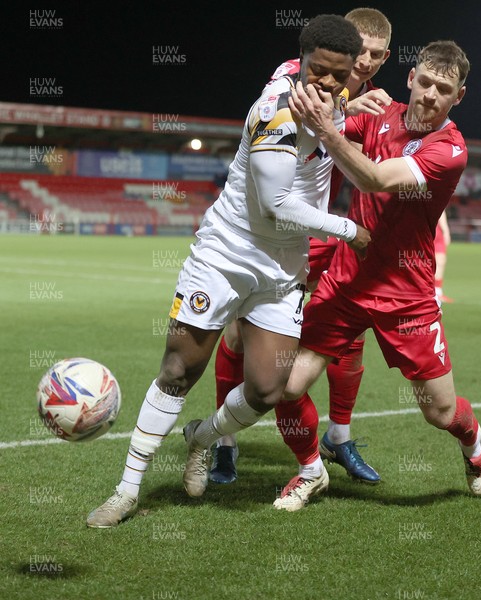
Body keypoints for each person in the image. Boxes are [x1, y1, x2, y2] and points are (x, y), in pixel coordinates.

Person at [86, 14, 370, 528]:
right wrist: (349, 230)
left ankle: (200, 437)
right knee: (178, 369)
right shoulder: (275, 111)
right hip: (227, 253)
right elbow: (277, 206)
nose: (327, 83)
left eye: (340, 74)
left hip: (283, 268)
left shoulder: (339, 94)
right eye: (319, 71)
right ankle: (126, 491)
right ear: (301, 62)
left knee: (266, 389)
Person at [267, 40, 481, 511]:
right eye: (425, 82)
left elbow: (371, 177)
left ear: (459, 97)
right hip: (346, 282)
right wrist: (321, 99)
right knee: (283, 387)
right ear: (411, 78)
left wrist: (330, 128)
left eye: (443, 89)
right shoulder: (380, 113)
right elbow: (316, 127)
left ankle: (474, 445)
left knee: (440, 412)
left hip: (406, 296)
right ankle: (311, 470)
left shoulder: (449, 150)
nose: (431, 95)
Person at [210, 7, 393, 487]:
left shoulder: (367, 96)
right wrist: (340, 111)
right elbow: (281, 105)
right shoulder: (295, 78)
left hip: (326, 233)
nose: (365, 64)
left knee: (346, 337)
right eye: (361, 53)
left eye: (374, 56)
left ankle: (340, 435)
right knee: (237, 337)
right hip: (281, 230)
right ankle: (223, 445)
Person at [434, 210, 452, 302]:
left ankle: (438, 292)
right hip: (424, 230)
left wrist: (446, 231)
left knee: (441, 261)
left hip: (437, 231)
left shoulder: (435, 196)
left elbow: (441, 210)